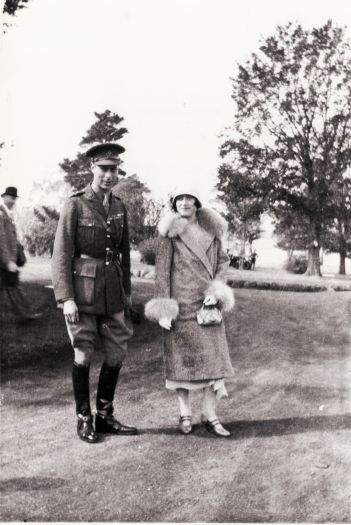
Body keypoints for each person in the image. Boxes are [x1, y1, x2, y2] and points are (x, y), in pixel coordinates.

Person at [52, 143, 137, 443]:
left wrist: (126, 291)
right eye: (104, 169)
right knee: (84, 351)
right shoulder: (75, 204)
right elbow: (61, 254)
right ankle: (83, 417)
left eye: (114, 169)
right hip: (83, 292)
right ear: (92, 169)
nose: (109, 175)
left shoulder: (119, 206)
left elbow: (123, 253)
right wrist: (66, 298)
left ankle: (105, 415)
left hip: (112, 290)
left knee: (116, 351)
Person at [145, 186, 235, 437]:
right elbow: (162, 272)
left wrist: (216, 291)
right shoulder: (169, 232)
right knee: (181, 362)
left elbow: (223, 264)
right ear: (175, 203)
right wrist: (164, 309)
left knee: (213, 362)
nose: (184, 203)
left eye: (189, 198)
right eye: (179, 198)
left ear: (197, 201)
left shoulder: (212, 230)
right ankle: (185, 413)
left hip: (207, 305)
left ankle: (211, 415)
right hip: (181, 306)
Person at [0, 186, 42, 322]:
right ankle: (25, 314)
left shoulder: (7, 215)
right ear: (4, 197)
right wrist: (8, 261)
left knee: (13, 288)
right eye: (11, 198)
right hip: (4, 261)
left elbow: (11, 238)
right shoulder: (1, 214)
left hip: (5, 260)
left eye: (15, 199)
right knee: (13, 288)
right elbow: (1, 239)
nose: (13, 201)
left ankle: (25, 314)